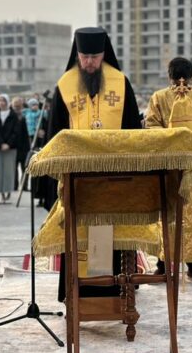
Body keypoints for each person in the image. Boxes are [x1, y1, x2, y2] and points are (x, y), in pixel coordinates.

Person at [44, 26, 141, 299]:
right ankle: (76, 291)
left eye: (94, 57)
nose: (88, 63)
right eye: (84, 56)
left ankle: (114, 289)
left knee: (113, 231)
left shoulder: (120, 83)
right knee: (78, 233)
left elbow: (133, 129)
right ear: (77, 54)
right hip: (77, 177)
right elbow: (55, 133)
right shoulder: (65, 85)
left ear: (103, 54)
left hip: (114, 176)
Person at [145, 56, 192, 285]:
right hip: (168, 163)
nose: (181, 83)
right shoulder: (159, 97)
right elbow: (151, 124)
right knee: (167, 213)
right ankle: (162, 265)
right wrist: (171, 142)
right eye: (177, 79)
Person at [0, 93, 23, 204]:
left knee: (9, 171)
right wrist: (1, 143)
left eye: (3, 101)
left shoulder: (13, 115)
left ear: (7, 102)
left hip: (10, 147)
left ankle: (8, 192)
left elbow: (16, 132)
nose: (1, 103)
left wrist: (8, 144)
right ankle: (2, 194)